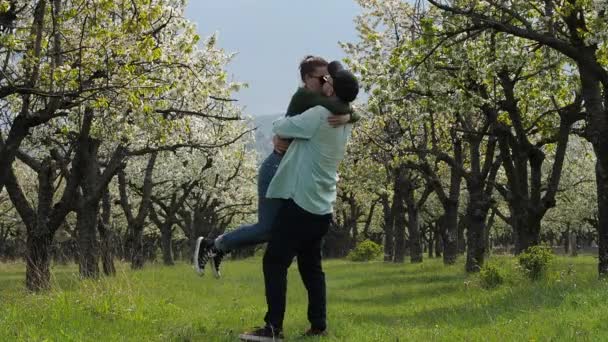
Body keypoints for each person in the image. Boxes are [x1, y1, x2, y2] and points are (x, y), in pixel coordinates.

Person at [193, 56, 359, 278]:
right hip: (278, 167)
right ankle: (213, 246)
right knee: (268, 228)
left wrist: (349, 115)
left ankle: (220, 247)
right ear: (307, 79)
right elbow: (342, 106)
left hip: (292, 170)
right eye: (322, 78)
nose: (325, 82)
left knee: (281, 228)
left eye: (328, 78)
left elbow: (346, 105)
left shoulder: (322, 100)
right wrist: (350, 115)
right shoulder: (307, 97)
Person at [238, 68, 359, 342]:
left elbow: (282, 126)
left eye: (328, 81)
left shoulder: (319, 116)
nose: (324, 83)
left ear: (331, 89)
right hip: (323, 207)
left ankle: (272, 329)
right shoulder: (345, 119)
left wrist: (296, 104)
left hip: (302, 204)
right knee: (311, 266)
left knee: (274, 261)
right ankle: (318, 324)